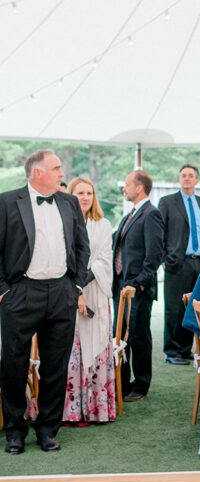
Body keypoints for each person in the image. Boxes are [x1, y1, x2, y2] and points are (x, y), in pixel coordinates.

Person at [0, 150, 89, 454]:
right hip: (21, 294)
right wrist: (4, 291)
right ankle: (14, 432)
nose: (62, 173)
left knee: (55, 366)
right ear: (38, 172)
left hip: (61, 294)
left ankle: (47, 430)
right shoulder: (7, 202)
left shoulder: (69, 202)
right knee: (13, 364)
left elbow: (81, 245)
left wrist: (76, 285)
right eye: (56, 168)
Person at [63, 177, 116, 424]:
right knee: (71, 350)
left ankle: (96, 410)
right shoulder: (62, 222)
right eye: (80, 193)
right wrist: (75, 292)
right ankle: (72, 411)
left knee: (95, 349)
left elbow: (104, 260)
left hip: (95, 289)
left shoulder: (103, 224)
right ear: (70, 195)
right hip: (67, 295)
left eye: (89, 193)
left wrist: (80, 286)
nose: (85, 197)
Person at [112, 171, 163, 402]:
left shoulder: (151, 214)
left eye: (127, 185)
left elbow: (154, 254)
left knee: (139, 336)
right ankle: (121, 382)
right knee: (120, 336)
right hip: (120, 286)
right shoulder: (131, 215)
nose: (124, 188)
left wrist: (140, 283)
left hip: (136, 288)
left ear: (140, 187)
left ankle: (141, 385)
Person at [158, 165, 200, 366]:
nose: (187, 178)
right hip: (176, 263)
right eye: (184, 175)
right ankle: (172, 351)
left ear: (196, 180)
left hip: (198, 263)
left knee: (193, 306)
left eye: (191, 176)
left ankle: (185, 349)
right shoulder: (167, 202)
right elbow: (159, 231)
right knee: (174, 308)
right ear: (179, 179)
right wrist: (165, 258)